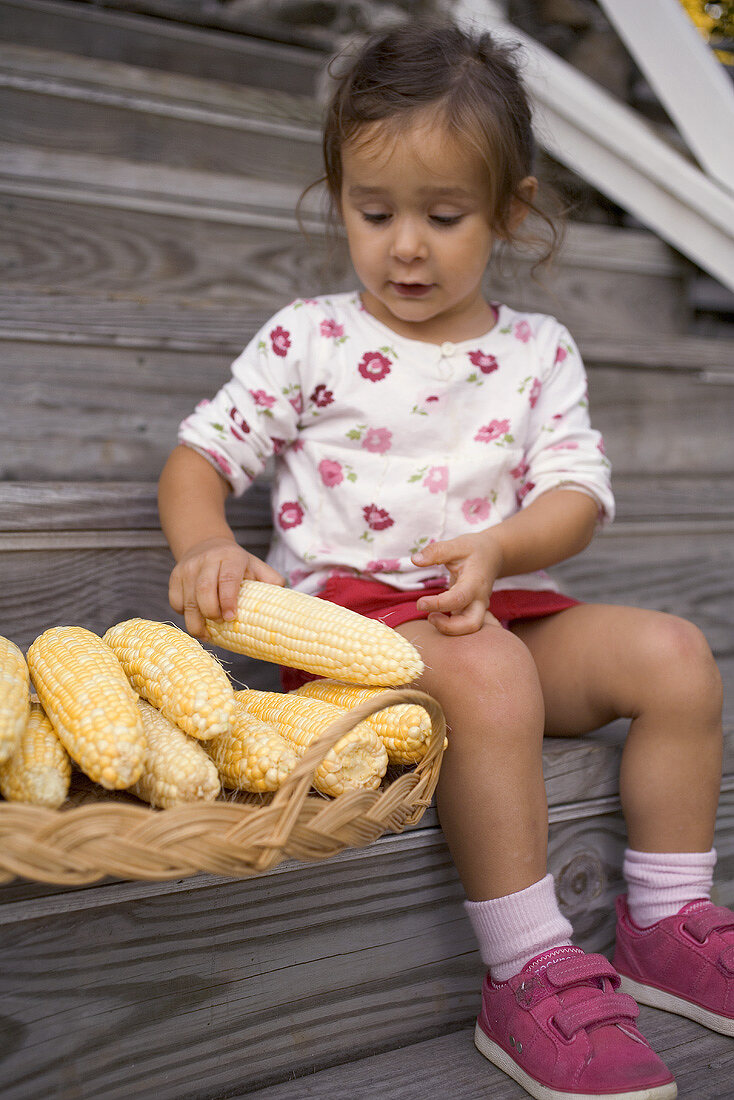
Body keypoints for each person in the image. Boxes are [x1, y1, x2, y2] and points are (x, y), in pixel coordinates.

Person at [158, 21, 731, 1100]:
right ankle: (523, 968)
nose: (403, 246)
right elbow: (198, 457)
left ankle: (665, 925)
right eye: (372, 214)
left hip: (501, 599)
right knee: (487, 670)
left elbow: (573, 496)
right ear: (337, 199)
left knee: (676, 655)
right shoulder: (310, 339)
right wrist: (204, 546)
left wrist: (503, 543)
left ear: (509, 210)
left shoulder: (534, 351)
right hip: (359, 633)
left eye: (442, 215)